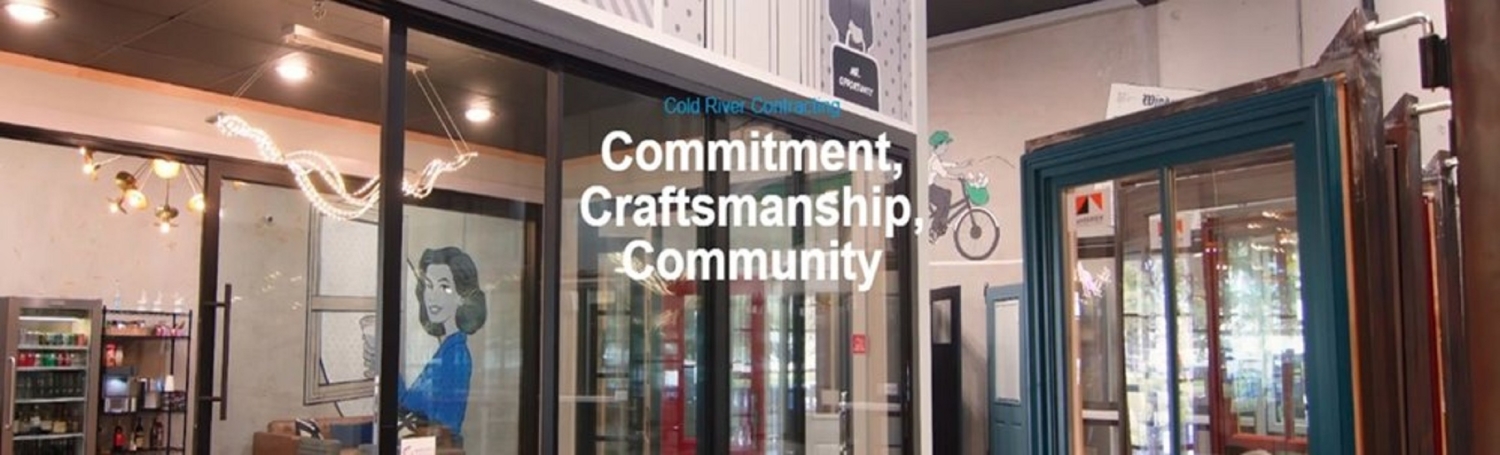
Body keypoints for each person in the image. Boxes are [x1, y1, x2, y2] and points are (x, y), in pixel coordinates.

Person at [364, 247, 486, 444]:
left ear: (461, 296)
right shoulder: (445, 349)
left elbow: (443, 427)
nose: (433, 296)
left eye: (444, 287)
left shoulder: (456, 355)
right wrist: (383, 365)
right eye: (429, 285)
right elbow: (408, 404)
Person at [927, 130, 967, 237]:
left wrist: (959, 165)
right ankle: (933, 229)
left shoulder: (935, 159)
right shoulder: (934, 161)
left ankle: (943, 221)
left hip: (930, 186)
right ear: (939, 145)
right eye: (945, 145)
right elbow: (944, 174)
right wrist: (957, 177)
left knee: (947, 193)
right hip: (927, 189)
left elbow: (944, 164)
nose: (946, 148)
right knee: (941, 204)